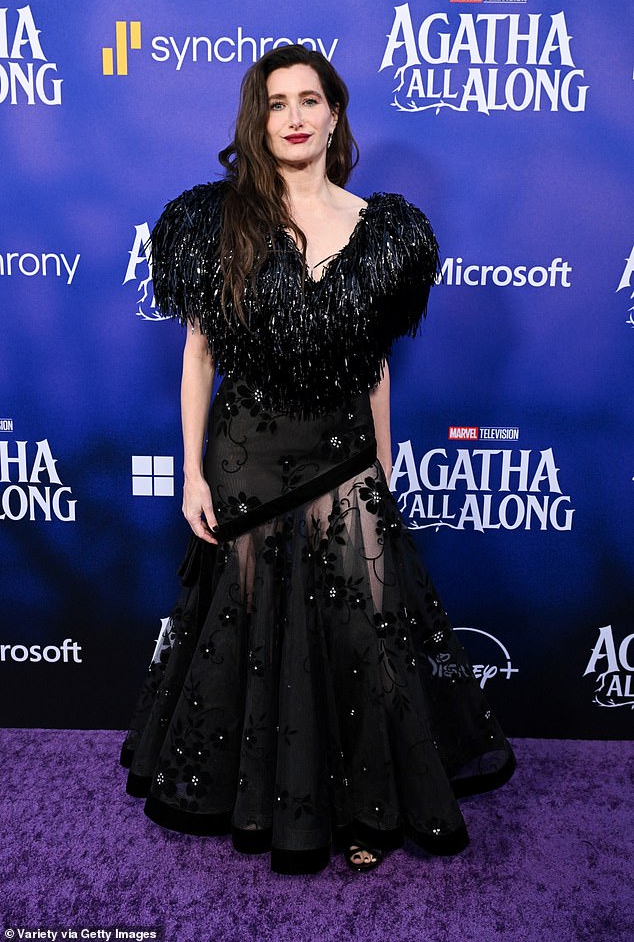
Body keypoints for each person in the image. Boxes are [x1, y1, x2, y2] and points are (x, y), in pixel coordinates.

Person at [119, 44, 515, 875]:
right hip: (246, 458)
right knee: (256, 639)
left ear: (335, 113)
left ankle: (366, 808)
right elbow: (198, 355)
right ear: (256, 121)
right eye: (276, 103)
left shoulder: (385, 231)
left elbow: (373, 363)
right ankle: (260, 802)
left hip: (342, 457)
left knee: (363, 637)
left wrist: (384, 460)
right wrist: (191, 472)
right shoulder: (212, 219)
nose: (294, 116)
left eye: (309, 99)